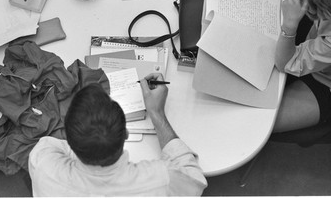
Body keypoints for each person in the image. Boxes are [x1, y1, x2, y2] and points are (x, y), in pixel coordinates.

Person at [28, 74, 207, 196]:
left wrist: (87, 135)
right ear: (126, 134)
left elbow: (53, 146)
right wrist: (157, 112)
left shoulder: (44, 166)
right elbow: (193, 177)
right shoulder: (161, 180)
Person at [243, 0, 331, 133]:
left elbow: (286, 63)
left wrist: (290, 25)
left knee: (255, 123)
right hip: (317, 34)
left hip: (329, 82)